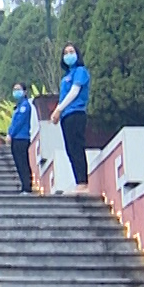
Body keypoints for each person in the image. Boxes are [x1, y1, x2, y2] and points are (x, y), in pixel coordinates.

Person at [52, 43, 90, 192]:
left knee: (77, 146)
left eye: (71, 51)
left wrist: (58, 109)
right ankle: (78, 181)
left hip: (76, 112)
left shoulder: (80, 71)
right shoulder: (66, 76)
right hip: (66, 115)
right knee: (70, 148)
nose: (68, 55)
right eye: (65, 53)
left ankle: (82, 181)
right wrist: (59, 112)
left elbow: (74, 92)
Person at [6, 84, 38, 194]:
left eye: (18, 89)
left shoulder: (25, 106)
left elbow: (19, 123)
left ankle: (27, 186)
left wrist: (11, 133)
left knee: (23, 162)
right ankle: (24, 186)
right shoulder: (18, 106)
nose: (16, 92)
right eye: (14, 89)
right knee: (19, 163)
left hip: (21, 138)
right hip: (16, 138)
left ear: (25, 92)